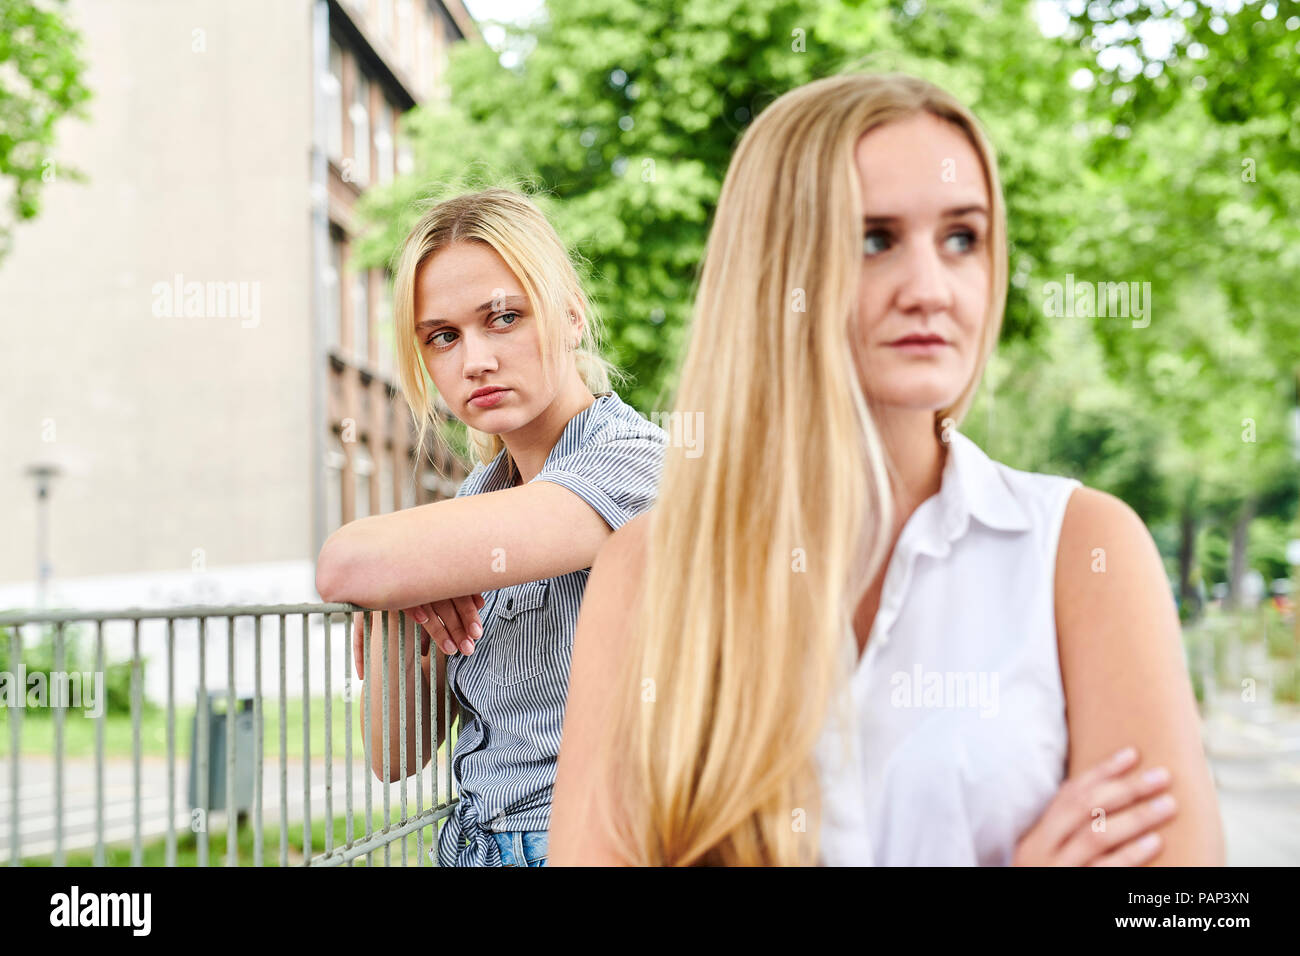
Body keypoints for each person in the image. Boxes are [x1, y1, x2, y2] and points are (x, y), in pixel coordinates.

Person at [549, 73, 1225, 866]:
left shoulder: (1083, 549)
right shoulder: (649, 570)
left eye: (962, 238)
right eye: (875, 240)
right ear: (779, 272)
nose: (931, 290)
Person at [315, 188, 667, 867]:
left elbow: (344, 564)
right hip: (473, 846)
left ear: (569, 315)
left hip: (589, 844)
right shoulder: (479, 497)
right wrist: (405, 588)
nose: (473, 359)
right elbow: (396, 752)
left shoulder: (635, 464)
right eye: (442, 336)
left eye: (502, 318)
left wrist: (397, 567)